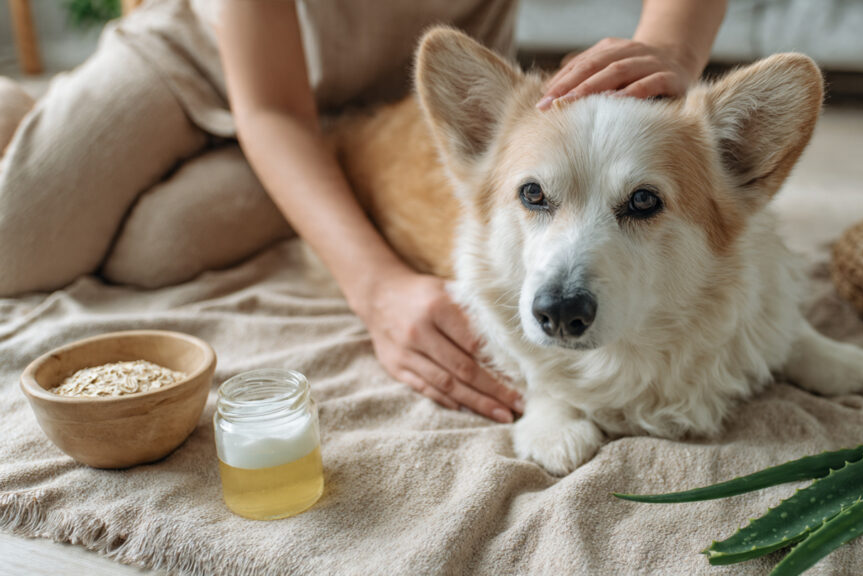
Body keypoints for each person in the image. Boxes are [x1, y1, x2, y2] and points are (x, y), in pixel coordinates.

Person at [0, 0, 726, 422]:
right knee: (18, 244)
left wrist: (668, 44)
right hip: (218, 64)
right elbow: (274, 106)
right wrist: (375, 285)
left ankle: (242, 164)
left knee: (156, 249)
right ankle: (28, 114)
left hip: (406, 105)